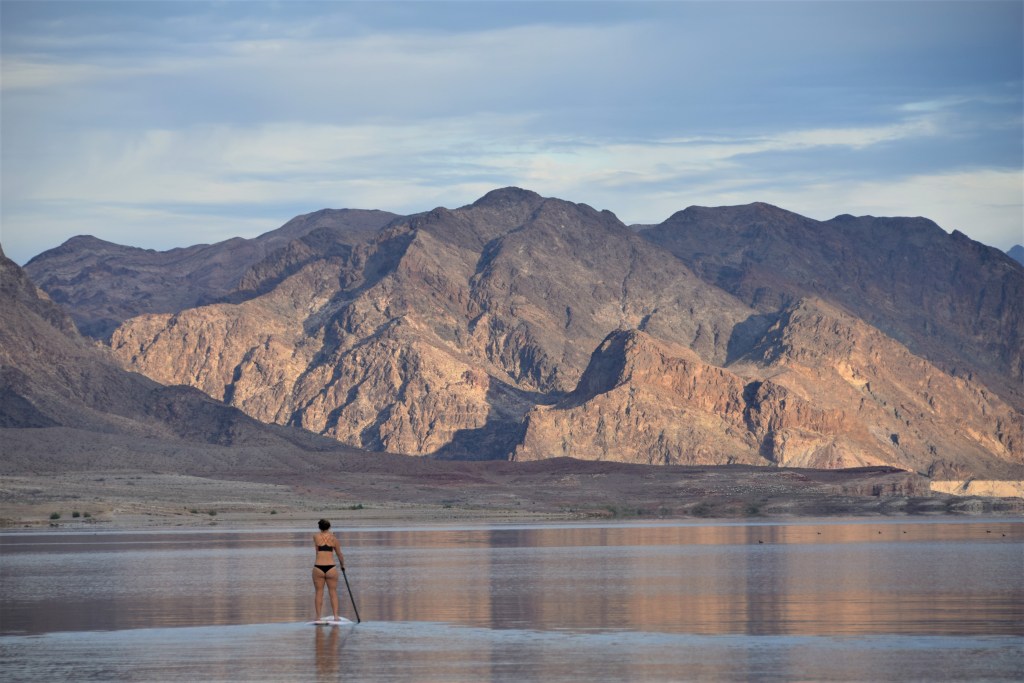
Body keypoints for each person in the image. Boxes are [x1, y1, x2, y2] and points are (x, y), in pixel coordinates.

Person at [312, 518, 346, 621]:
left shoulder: (315, 536)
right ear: (329, 527)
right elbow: (339, 554)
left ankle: (318, 617)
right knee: (333, 592)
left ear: (319, 527)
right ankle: (335, 616)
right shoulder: (334, 539)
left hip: (318, 567)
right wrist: (342, 565)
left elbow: (317, 550)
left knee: (319, 592)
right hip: (331, 568)